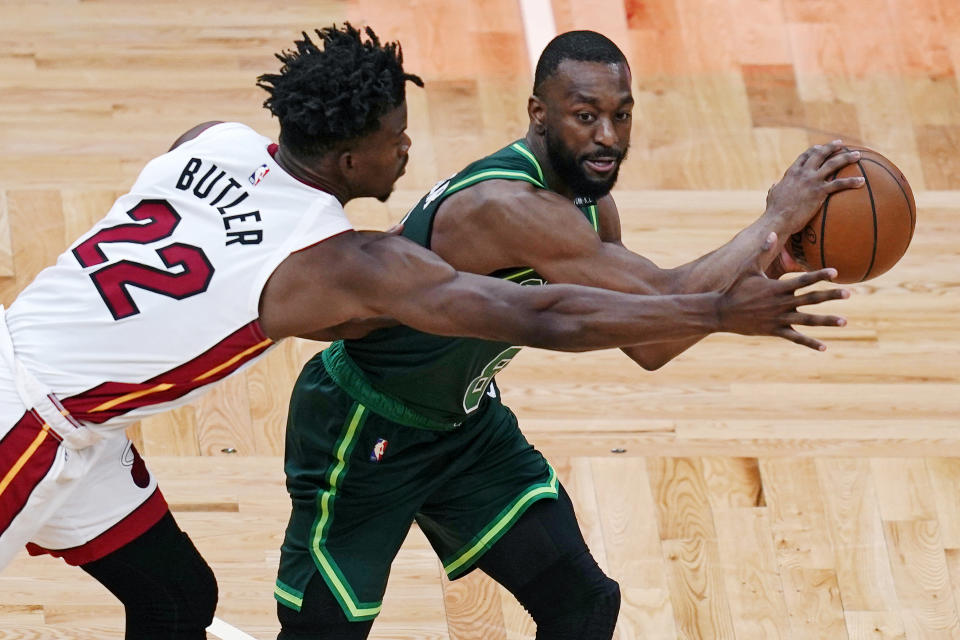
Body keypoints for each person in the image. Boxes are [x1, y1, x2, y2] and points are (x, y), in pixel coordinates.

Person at [0, 24, 847, 639]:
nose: (408, 155)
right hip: (27, 422)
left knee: (178, 600)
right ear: (346, 165)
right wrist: (725, 297)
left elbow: (632, 325)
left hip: (86, 423)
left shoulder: (211, 141)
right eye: (394, 143)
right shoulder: (346, 262)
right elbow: (539, 313)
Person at [275, 30, 864, 639]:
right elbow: (675, 301)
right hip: (365, 427)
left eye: (621, 114)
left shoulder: (589, 205)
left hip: (464, 429)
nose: (608, 136)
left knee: (583, 605)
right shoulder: (506, 205)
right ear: (539, 113)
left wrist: (770, 257)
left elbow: (652, 339)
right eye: (585, 116)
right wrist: (774, 219)